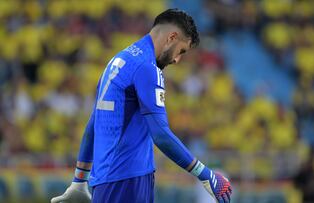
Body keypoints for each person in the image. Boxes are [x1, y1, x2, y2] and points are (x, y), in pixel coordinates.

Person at [51, 9, 232, 203]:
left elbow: (93, 124)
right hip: (129, 179)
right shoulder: (147, 67)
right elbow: (161, 134)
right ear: (172, 37)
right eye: (181, 51)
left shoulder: (118, 60)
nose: (177, 60)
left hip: (105, 181)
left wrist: (79, 181)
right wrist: (206, 174)